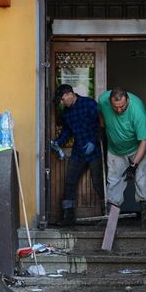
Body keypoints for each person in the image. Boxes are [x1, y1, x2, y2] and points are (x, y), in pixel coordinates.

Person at [98, 87, 146, 228]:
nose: (119, 110)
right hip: (115, 150)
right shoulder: (103, 100)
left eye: (122, 106)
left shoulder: (137, 111)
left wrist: (134, 164)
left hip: (138, 148)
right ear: (110, 102)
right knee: (114, 181)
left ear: (127, 100)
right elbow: (101, 112)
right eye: (115, 107)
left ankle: (145, 218)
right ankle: (111, 219)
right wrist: (102, 126)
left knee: (141, 178)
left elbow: (144, 141)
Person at [50, 84, 105, 226]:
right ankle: (68, 218)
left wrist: (94, 141)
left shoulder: (89, 103)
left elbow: (100, 124)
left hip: (95, 151)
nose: (62, 103)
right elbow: (67, 132)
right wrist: (57, 143)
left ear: (70, 94)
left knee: (99, 183)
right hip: (78, 151)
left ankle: (107, 215)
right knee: (69, 183)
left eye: (63, 99)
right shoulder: (67, 113)